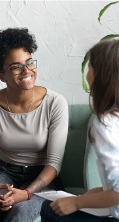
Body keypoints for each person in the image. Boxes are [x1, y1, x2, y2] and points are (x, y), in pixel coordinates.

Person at [0, 27, 68, 222]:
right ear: (1, 75)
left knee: (21, 212)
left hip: (43, 176)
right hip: (3, 171)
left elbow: (54, 163)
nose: (27, 71)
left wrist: (26, 193)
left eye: (29, 62)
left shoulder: (55, 103)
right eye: (16, 67)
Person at [40, 39, 119, 222]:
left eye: (90, 67)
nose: (86, 73)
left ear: (102, 74)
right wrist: (96, 194)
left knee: (49, 210)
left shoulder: (106, 124)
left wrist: (77, 203)